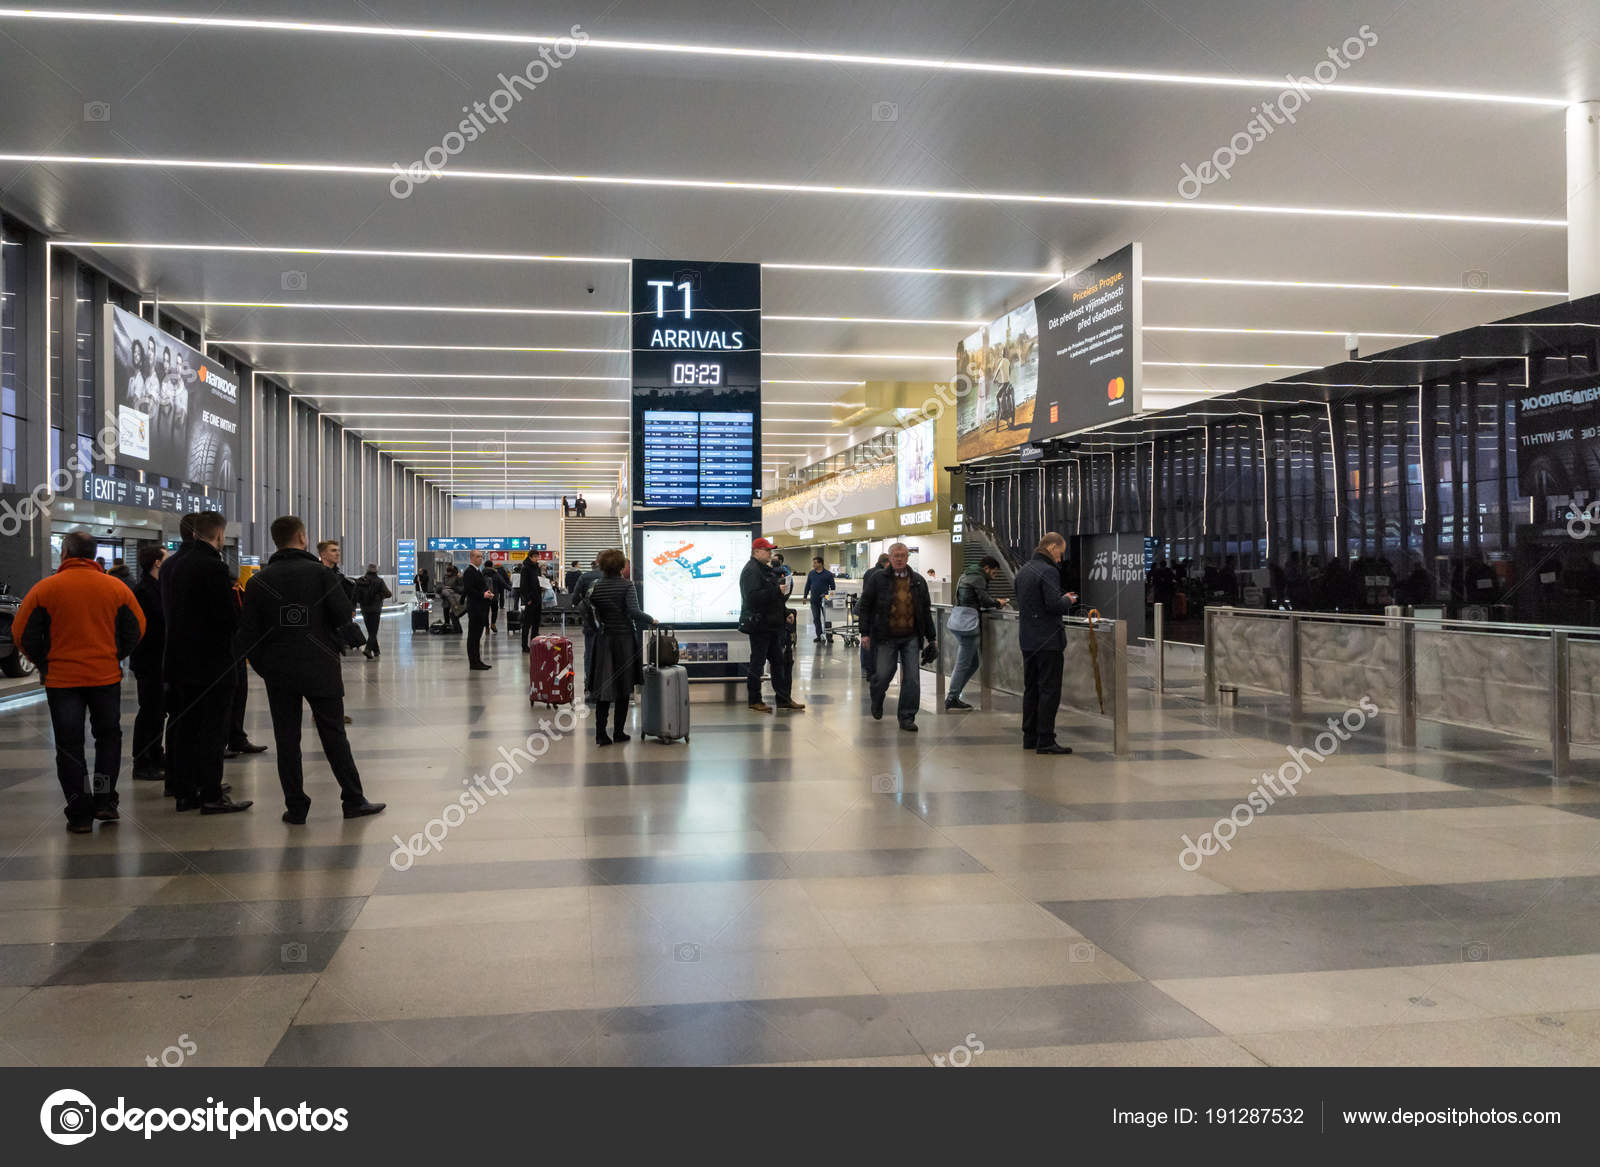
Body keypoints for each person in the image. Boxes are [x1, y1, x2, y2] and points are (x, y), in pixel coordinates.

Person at [236, 515, 385, 824]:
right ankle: (353, 799)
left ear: (276, 540)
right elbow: (343, 615)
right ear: (302, 538)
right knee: (333, 733)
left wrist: (266, 668)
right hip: (321, 667)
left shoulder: (258, 581)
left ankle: (296, 806)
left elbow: (247, 635)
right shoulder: (319, 574)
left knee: (286, 738)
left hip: (279, 671)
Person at [13, 530, 145, 832]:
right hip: (105, 676)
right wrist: (115, 654)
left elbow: (22, 633)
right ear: (93, 553)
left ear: (65, 554)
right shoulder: (116, 588)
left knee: (69, 746)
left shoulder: (44, 590)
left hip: (62, 681)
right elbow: (137, 627)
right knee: (108, 739)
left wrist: (44, 661)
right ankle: (105, 801)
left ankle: (79, 812)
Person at [161, 510, 253, 813]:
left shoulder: (173, 565)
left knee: (186, 727)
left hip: (178, 660)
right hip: (212, 663)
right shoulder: (212, 566)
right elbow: (226, 617)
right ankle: (212, 793)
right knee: (213, 729)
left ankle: (185, 791)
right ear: (219, 534)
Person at [860, 542, 937, 732]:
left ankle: (907, 717)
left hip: (911, 636)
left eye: (903, 555)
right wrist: (865, 633)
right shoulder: (878, 579)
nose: (900, 559)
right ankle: (877, 697)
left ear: (907, 558)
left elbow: (925, 611)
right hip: (886, 636)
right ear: (890, 558)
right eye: (896, 556)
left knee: (912, 678)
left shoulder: (918, 581)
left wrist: (932, 637)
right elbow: (865, 606)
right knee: (884, 674)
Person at [1014, 532, 1078, 756]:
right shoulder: (1049, 571)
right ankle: (1046, 739)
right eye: (1060, 553)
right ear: (1051, 548)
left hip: (1028, 640)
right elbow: (1053, 605)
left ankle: (1029, 737)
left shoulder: (1024, 571)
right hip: (1048, 641)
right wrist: (1067, 600)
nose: (1060, 558)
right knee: (1049, 690)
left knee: (1031, 689)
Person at [587, 548, 657, 745]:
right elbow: (633, 611)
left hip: (603, 640)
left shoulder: (596, 586)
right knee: (624, 686)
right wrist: (652, 619)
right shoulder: (627, 586)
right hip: (624, 640)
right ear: (621, 566)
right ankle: (618, 732)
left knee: (603, 687)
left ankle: (601, 733)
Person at [740, 537, 804, 714]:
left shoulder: (765, 570)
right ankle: (754, 700)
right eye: (767, 550)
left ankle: (783, 699)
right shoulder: (751, 571)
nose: (770, 553)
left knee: (779, 663)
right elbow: (753, 598)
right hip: (760, 626)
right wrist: (776, 590)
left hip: (773, 625)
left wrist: (786, 613)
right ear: (756, 552)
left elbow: (774, 599)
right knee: (757, 664)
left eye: (770, 550)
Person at [946, 556, 1006, 711]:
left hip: (959, 620)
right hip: (969, 624)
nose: (995, 575)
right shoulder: (978, 577)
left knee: (973, 663)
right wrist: (998, 603)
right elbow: (985, 600)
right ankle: (952, 697)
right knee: (963, 663)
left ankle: (955, 694)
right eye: (994, 572)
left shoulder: (965, 574)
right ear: (987, 568)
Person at [128, 544, 168, 781]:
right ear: (157, 563)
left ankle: (156, 753)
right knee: (150, 711)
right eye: (166, 558)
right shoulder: (144, 591)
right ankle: (142, 761)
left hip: (159, 659)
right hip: (150, 660)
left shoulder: (157, 587)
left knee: (158, 711)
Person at [225, 566, 269, 758]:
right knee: (227, 698)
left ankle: (237, 738)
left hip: (238, 649)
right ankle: (223, 741)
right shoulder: (230, 593)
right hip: (226, 651)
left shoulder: (237, 592)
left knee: (239, 694)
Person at [572, 557, 603, 701]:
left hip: (590, 623)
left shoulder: (584, 577)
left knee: (589, 652)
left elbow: (574, 599)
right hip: (611, 624)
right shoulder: (616, 578)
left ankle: (589, 683)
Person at [859, 552, 891, 679]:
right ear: (887, 562)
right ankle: (873, 670)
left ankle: (866, 668)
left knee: (866, 641)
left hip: (867, 612)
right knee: (875, 645)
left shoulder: (868, 572)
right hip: (876, 614)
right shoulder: (881, 575)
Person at [462, 549, 494, 670]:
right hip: (474, 608)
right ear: (471, 558)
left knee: (477, 636)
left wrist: (488, 592)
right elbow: (469, 590)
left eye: (481, 557)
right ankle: (473, 662)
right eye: (477, 557)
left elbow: (480, 587)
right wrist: (483, 595)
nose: (480, 559)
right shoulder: (469, 572)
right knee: (473, 636)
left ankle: (478, 660)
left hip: (480, 607)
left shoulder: (477, 571)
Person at [355, 564, 391, 658]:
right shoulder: (379, 581)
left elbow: (355, 595)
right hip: (375, 609)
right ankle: (368, 649)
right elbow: (388, 593)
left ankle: (376, 650)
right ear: (376, 571)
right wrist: (380, 596)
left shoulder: (361, 581)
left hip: (364, 609)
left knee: (370, 631)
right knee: (373, 632)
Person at [802, 556, 836, 642]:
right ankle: (819, 635)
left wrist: (830, 597)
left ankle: (829, 636)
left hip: (826, 600)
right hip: (814, 600)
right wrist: (805, 596)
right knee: (816, 618)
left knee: (827, 618)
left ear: (820, 563)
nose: (813, 564)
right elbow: (807, 585)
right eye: (813, 563)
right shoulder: (811, 573)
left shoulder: (828, 574)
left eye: (815, 563)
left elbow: (833, 587)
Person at [519, 549, 545, 650]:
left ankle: (534, 644)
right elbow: (523, 585)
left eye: (538, 556)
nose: (537, 558)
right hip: (530, 600)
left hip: (538, 598)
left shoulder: (537, 568)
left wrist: (542, 586)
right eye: (535, 557)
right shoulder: (525, 568)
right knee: (527, 623)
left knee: (536, 623)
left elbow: (538, 581)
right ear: (530, 557)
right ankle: (524, 645)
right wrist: (527, 599)